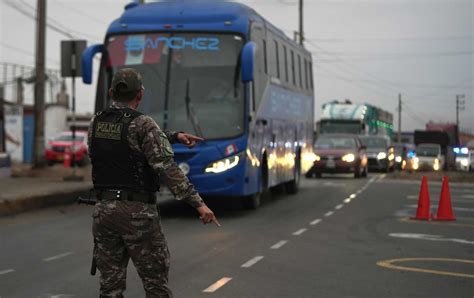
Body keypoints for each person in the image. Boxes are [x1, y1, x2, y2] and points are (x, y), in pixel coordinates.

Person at [88, 68, 220, 298]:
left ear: (111, 92)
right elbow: (167, 168)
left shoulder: (96, 122)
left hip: (103, 212)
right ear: (140, 94)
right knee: (155, 284)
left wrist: (174, 135)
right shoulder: (143, 124)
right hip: (137, 214)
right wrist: (199, 204)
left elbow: (125, 140)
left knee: (110, 286)